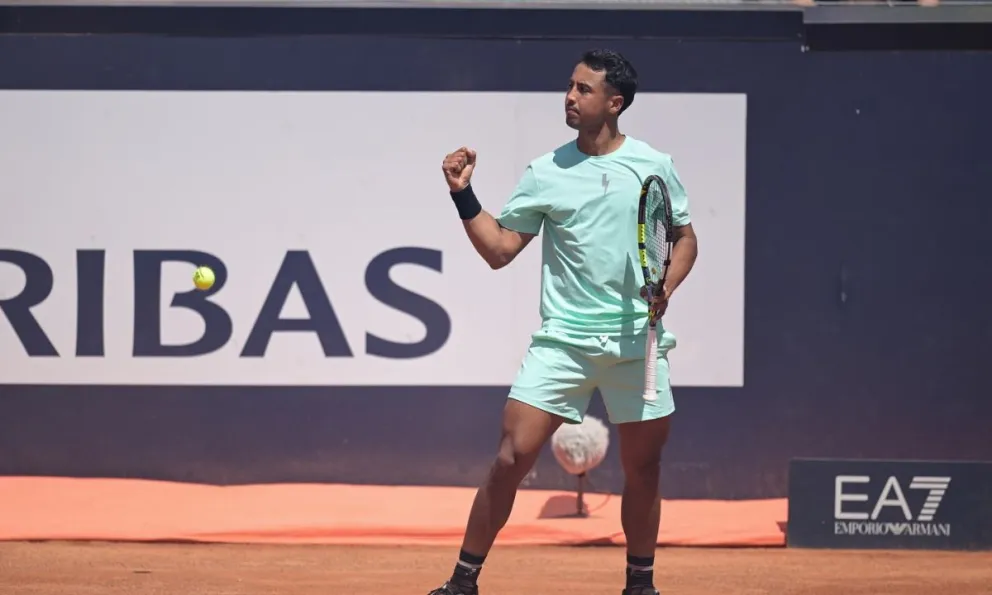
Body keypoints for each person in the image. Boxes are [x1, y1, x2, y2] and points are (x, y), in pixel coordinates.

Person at [431, 48, 699, 595]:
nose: (570, 97)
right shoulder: (545, 171)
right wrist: (463, 193)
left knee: (643, 470)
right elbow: (500, 249)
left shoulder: (653, 165)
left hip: (635, 342)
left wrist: (665, 288)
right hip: (563, 343)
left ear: (614, 103)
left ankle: (639, 586)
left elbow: (684, 239)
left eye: (583, 89)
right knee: (510, 458)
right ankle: (462, 582)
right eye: (570, 87)